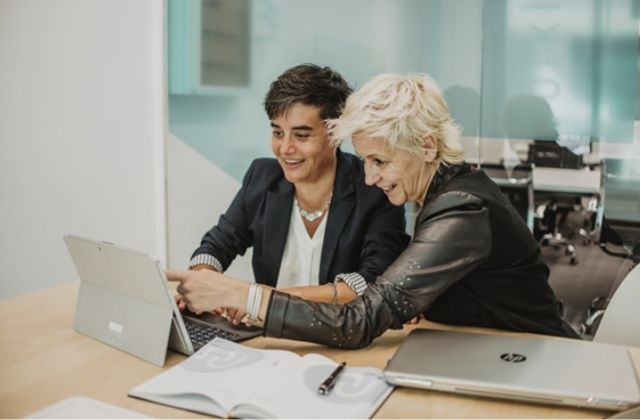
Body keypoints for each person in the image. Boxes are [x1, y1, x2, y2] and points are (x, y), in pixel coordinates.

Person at [170, 72, 578, 347]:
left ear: (427, 147)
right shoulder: (447, 191)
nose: (369, 177)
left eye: (380, 161)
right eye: (366, 160)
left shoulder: (461, 209)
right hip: (487, 346)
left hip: (534, 356)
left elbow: (360, 320)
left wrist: (248, 298)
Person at [184, 64, 410, 323]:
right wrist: (202, 281)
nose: (285, 148)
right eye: (277, 133)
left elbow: (372, 283)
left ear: (336, 135)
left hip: (339, 335)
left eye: (301, 135)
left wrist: (260, 299)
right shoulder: (261, 177)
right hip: (268, 337)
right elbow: (216, 246)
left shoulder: (375, 187)